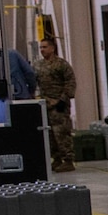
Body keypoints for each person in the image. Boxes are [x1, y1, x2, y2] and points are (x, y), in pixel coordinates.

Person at [36, 37, 76, 173]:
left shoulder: (61, 64)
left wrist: (63, 100)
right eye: (41, 47)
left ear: (52, 48)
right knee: (50, 134)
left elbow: (70, 82)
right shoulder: (38, 65)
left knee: (61, 133)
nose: (42, 50)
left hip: (59, 104)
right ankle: (56, 159)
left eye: (45, 47)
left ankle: (68, 160)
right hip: (45, 104)